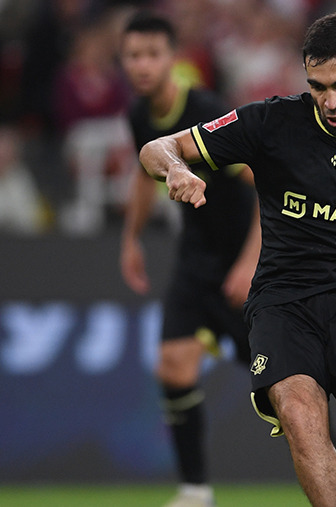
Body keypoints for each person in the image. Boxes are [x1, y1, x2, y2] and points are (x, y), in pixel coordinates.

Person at [138, 12, 336, 507]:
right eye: (318, 86)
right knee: (298, 413)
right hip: (283, 302)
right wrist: (176, 169)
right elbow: (156, 147)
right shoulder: (271, 123)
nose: (330, 101)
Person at [119, 13, 260, 507]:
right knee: (173, 366)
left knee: (284, 384)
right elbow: (144, 176)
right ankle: (195, 491)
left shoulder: (205, 112)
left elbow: (265, 184)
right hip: (196, 257)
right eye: (133, 55)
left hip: (244, 258)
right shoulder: (138, 115)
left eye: (152, 54)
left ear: (172, 59)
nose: (142, 65)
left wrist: (250, 262)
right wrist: (130, 238)